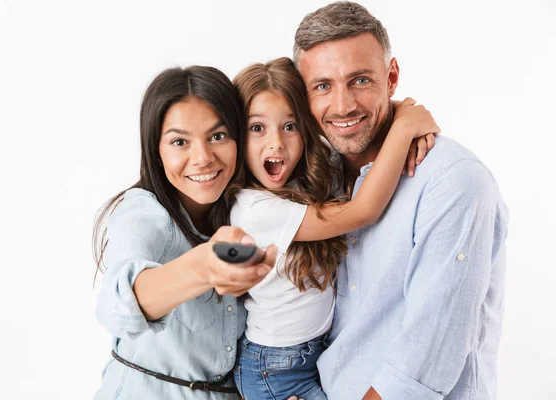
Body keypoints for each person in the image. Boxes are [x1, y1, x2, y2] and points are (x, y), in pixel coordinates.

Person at [289, 2, 509, 400]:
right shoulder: (320, 177)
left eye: (359, 80)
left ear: (391, 78)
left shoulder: (452, 179)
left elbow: (425, 362)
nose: (342, 106)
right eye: (322, 86)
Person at [229, 57, 439, 400]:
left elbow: (351, 127)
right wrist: (403, 128)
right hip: (275, 370)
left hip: (312, 355)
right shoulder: (254, 209)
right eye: (257, 128)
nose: (276, 143)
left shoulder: (308, 174)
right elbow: (362, 210)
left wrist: (397, 109)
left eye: (290, 125)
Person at [92, 65, 278, 399]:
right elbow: (115, 304)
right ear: (156, 151)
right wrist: (203, 267)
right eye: (180, 142)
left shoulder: (250, 210)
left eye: (218, 136)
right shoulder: (143, 212)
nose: (203, 158)